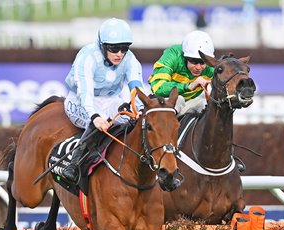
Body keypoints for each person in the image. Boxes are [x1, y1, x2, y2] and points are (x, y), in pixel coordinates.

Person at [62, 17, 144, 183]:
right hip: (79, 101)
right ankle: (74, 165)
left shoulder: (130, 59)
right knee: (100, 124)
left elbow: (136, 89)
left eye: (124, 48)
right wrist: (94, 117)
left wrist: (140, 109)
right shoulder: (87, 56)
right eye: (114, 48)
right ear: (103, 45)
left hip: (111, 100)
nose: (120, 54)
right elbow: (85, 94)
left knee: (137, 121)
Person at [148, 30, 215, 117]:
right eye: (194, 62)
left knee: (203, 104)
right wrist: (188, 86)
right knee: (179, 99)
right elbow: (158, 87)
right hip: (163, 102)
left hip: (189, 103)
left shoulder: (210, 67)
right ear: (185, 57)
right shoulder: (172, 56)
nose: (198, 68)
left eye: (202, 63)